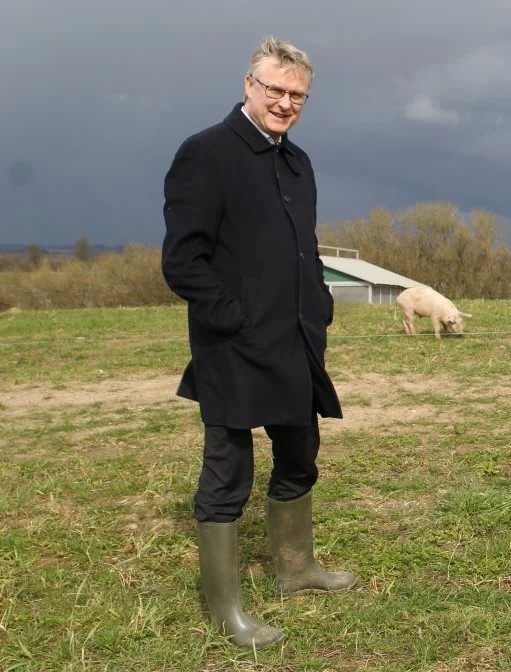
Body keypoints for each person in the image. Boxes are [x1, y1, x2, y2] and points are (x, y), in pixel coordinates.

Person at [161, 35, 355, 649]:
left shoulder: (298, 163)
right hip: (234, 346)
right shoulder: (205, 153)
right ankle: (226, 613)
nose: (285, 102)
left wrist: (317, 307)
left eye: (297, 94)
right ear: (249, 85)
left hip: (296, 340)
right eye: (275, 89)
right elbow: (182, 261)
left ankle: (296, 571)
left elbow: (305, 251)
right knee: (229, 473)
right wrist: (234, 316)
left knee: (301, 456)